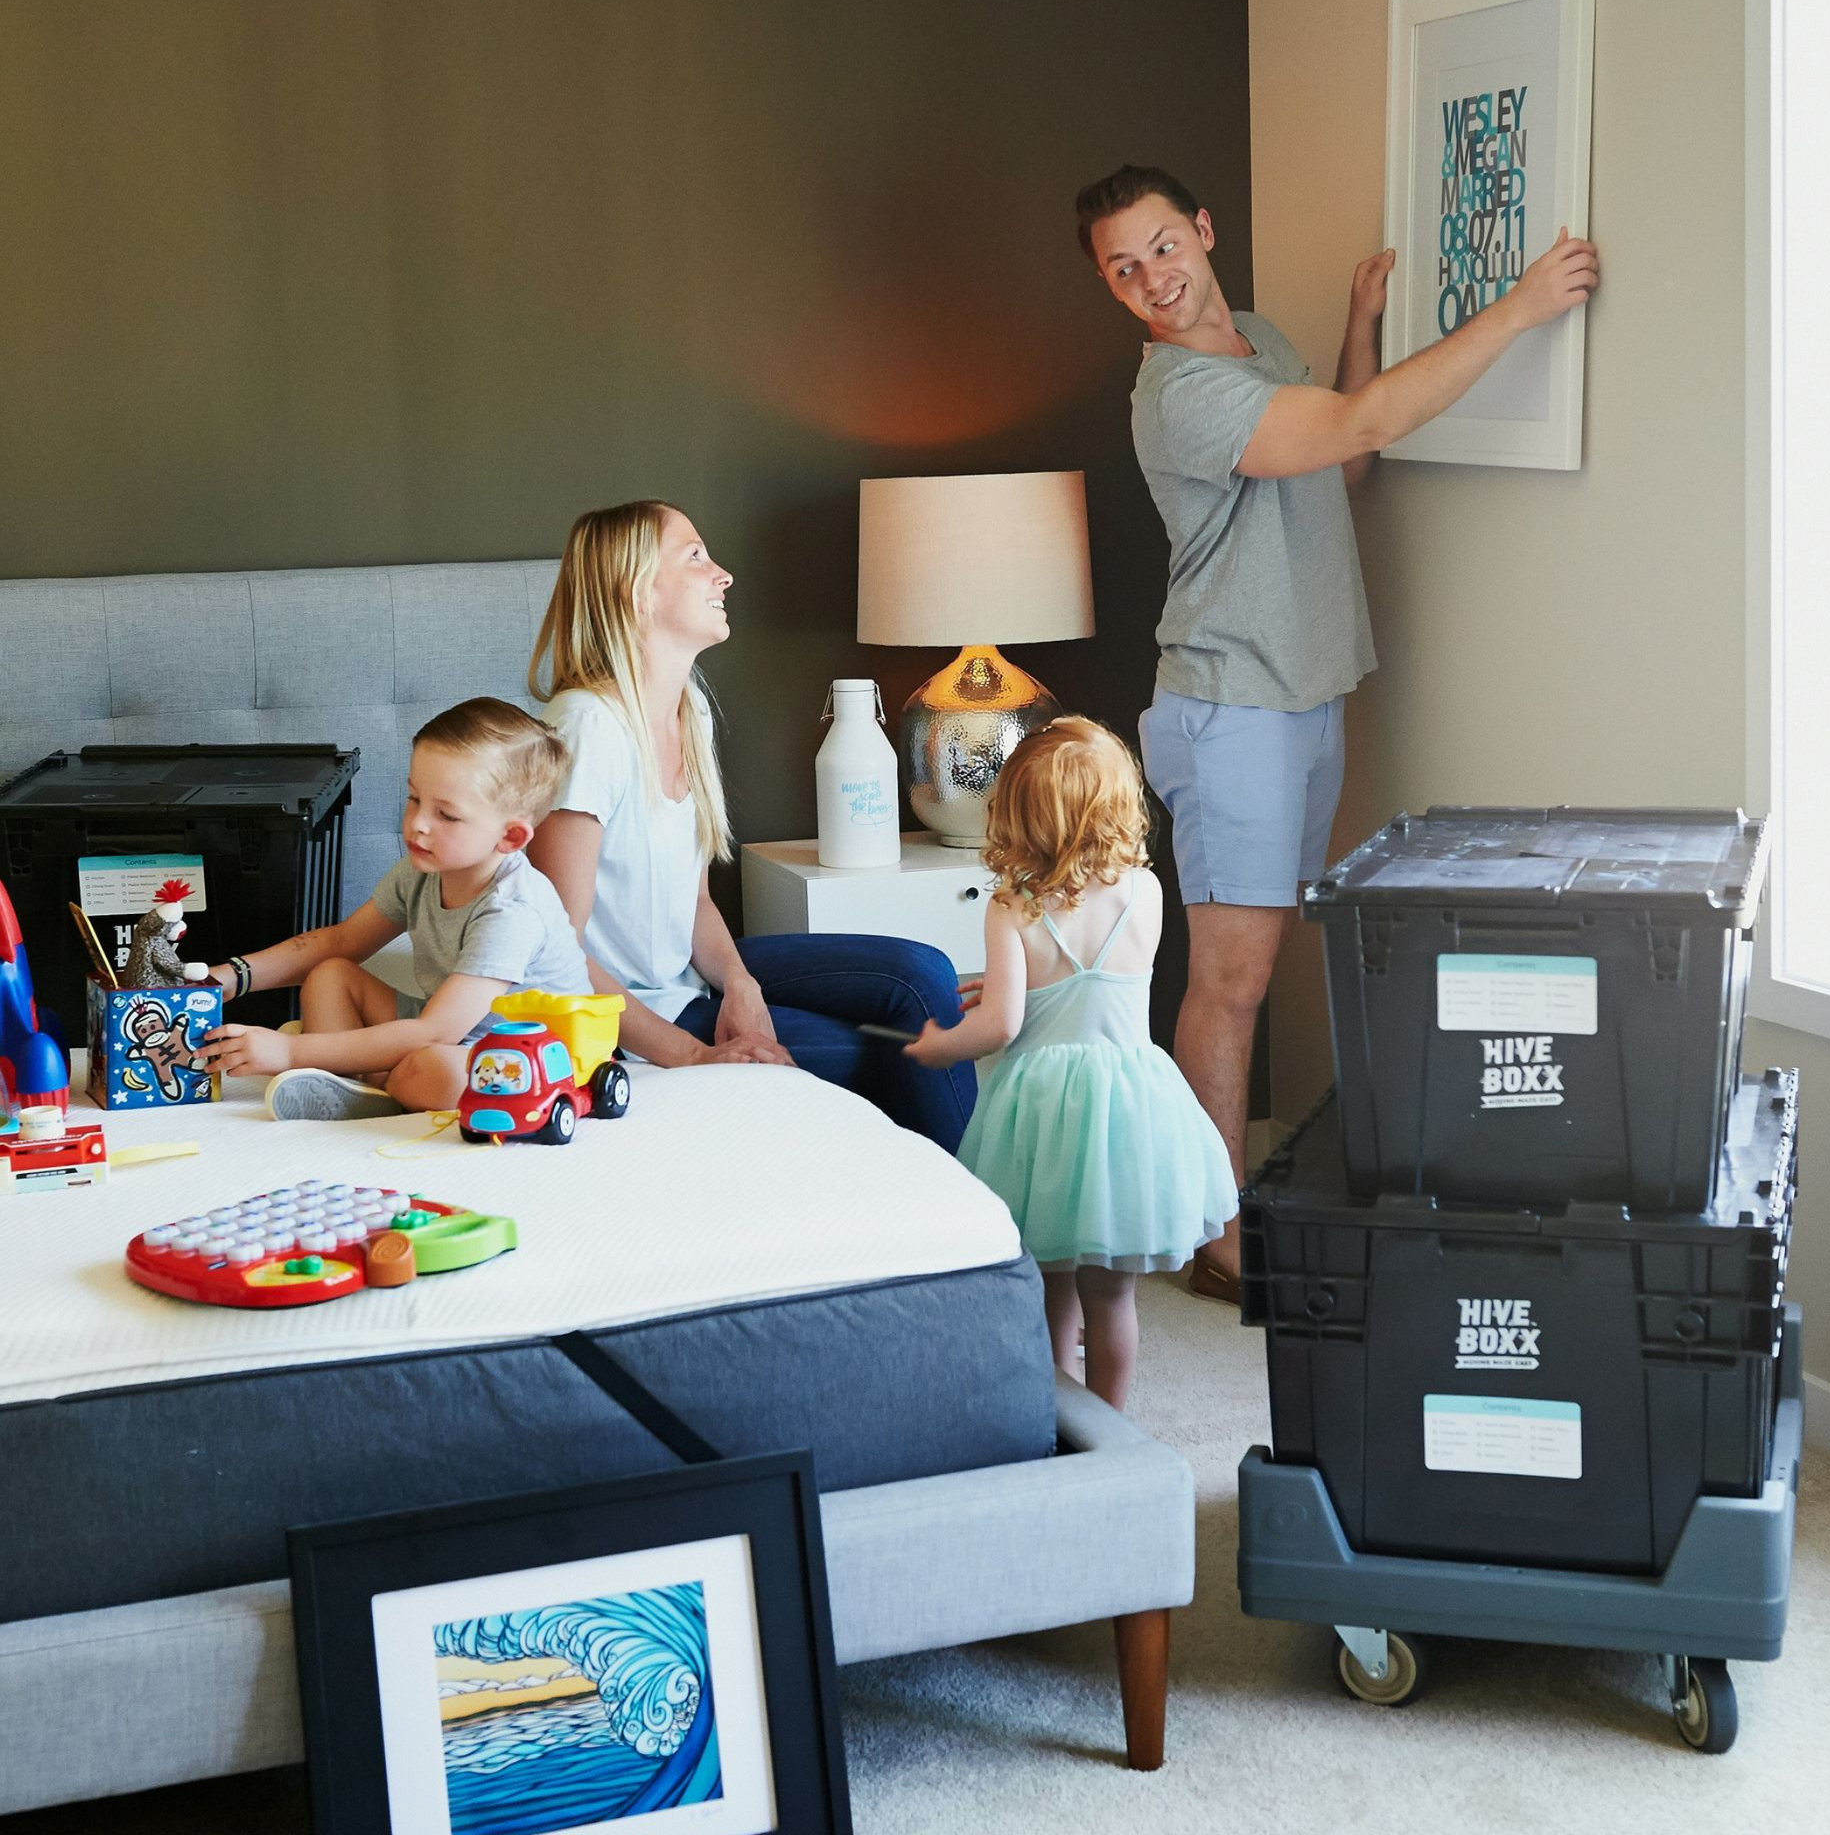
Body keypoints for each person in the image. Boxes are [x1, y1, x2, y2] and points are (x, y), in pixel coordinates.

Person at [1075, 163, 1599, 1299]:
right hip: (1234, 706)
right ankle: (1212, 1233)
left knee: (1257, 967)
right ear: (1114, 291)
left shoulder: (1255, 338)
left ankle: (1222, 1206)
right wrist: (1518, 306)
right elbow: (1360, 425)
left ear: (1203, 230)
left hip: (1301, 696)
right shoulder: (1176, 397)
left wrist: (1358, 325)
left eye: (1163, 246)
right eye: (1125, 269)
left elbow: (1346, 457)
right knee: (1233, 979)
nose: (1153, 279)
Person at [527, 500, 975, 1152]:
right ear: (637, 591)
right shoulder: (588, 727)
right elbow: (555, 952)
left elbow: (696, 901)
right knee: (867, 1056)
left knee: (922, 972)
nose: (724, 574)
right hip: (634, 1011)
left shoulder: (690, 711)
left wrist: (740, 985)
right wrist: (688, 1055)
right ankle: (959, 1227)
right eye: (696, 556)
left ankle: (979, 1215)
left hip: (687, 978)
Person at [906, 717, 1236, 1410]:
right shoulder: (1143, 891)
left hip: (1044, 1115)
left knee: (1052, 1284)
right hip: (1127, 1104)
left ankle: (1061, 1420)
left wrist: (940, 1047)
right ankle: (1114, 1423)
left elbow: (1001, 1024)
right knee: (1113, 1297)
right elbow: (1094, 985)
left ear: (1018, 814)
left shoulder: (1011, 905)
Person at [198, 698, 591, 1118]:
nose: (418, 823)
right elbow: (343, 940)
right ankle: (350, 1077)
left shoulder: (512, 910)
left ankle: (353, 1073)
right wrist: (231, 978)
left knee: (437, 1070)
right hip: (443, 1030)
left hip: (523, 1055)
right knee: (331, 975)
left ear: (510, 837)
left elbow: (437, 1031)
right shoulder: (421, 870)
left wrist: (291, 1050)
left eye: (447, 815)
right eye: (414, 798)